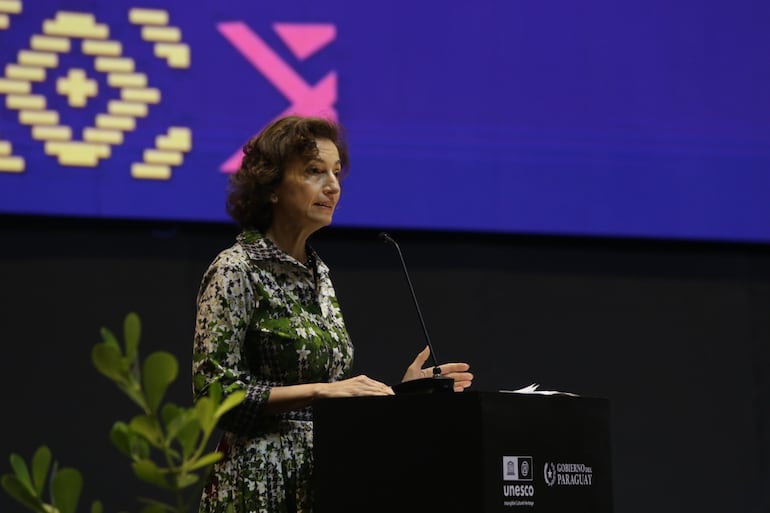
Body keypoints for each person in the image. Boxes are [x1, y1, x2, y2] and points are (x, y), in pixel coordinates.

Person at [192, 115, 474, 513]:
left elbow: (335, 394)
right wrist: (321, 391)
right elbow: (213, 393)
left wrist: (399, 394)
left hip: (329, 473)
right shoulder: (237, 268)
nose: (333, 186)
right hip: (259, 482)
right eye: (314, 171)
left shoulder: (319, 273)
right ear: (272, 186)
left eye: (336, 173)